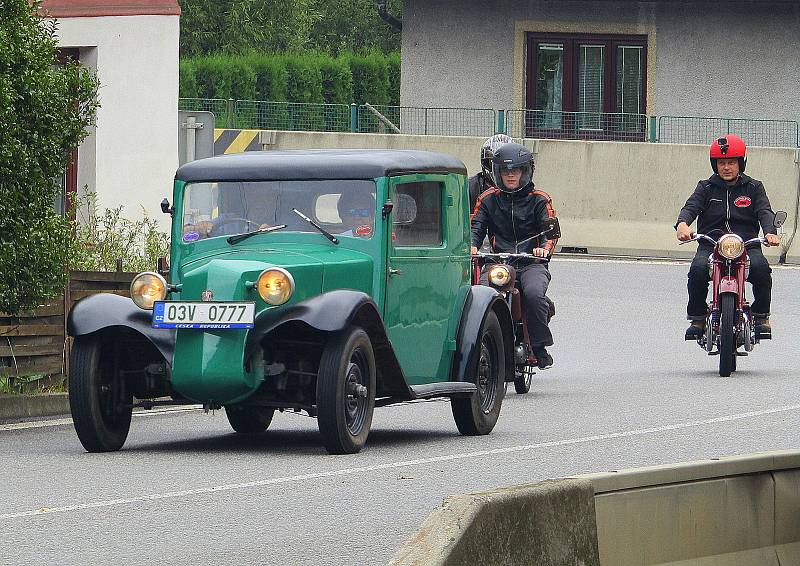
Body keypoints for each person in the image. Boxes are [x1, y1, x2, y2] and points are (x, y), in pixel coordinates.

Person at [675, 134, 780, 339]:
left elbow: (765, 212)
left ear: (741, 163)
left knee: (761, 269)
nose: (726, 167)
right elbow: (691, 207)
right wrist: (682, 224)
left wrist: (770, 232)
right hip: (711, 242)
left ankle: (761, 316)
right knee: (697, 270)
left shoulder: (754, 187)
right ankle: (697, 317)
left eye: (731, 162)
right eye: (721, 163)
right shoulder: (705, 187)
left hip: (746, 243)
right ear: (715, 165)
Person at [471, 142, 559, 369]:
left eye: (516, 170)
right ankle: (479, 346)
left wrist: (543, 250)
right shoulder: (488, 199)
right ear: (498, 173)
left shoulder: (540, 199)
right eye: (505, 171)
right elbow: (475, 228)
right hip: (498, 262)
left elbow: (551, 233)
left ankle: (539, 347)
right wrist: (471, 245)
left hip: (532, 263)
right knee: (482, 296)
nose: (510, 175)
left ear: (525, 172)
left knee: (534, 294)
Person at [469, 134, 513, 212]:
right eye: (495, 164)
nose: (499, 169)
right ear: (486, 163)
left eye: (504, 166)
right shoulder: (470, 187)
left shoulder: (523, 189)